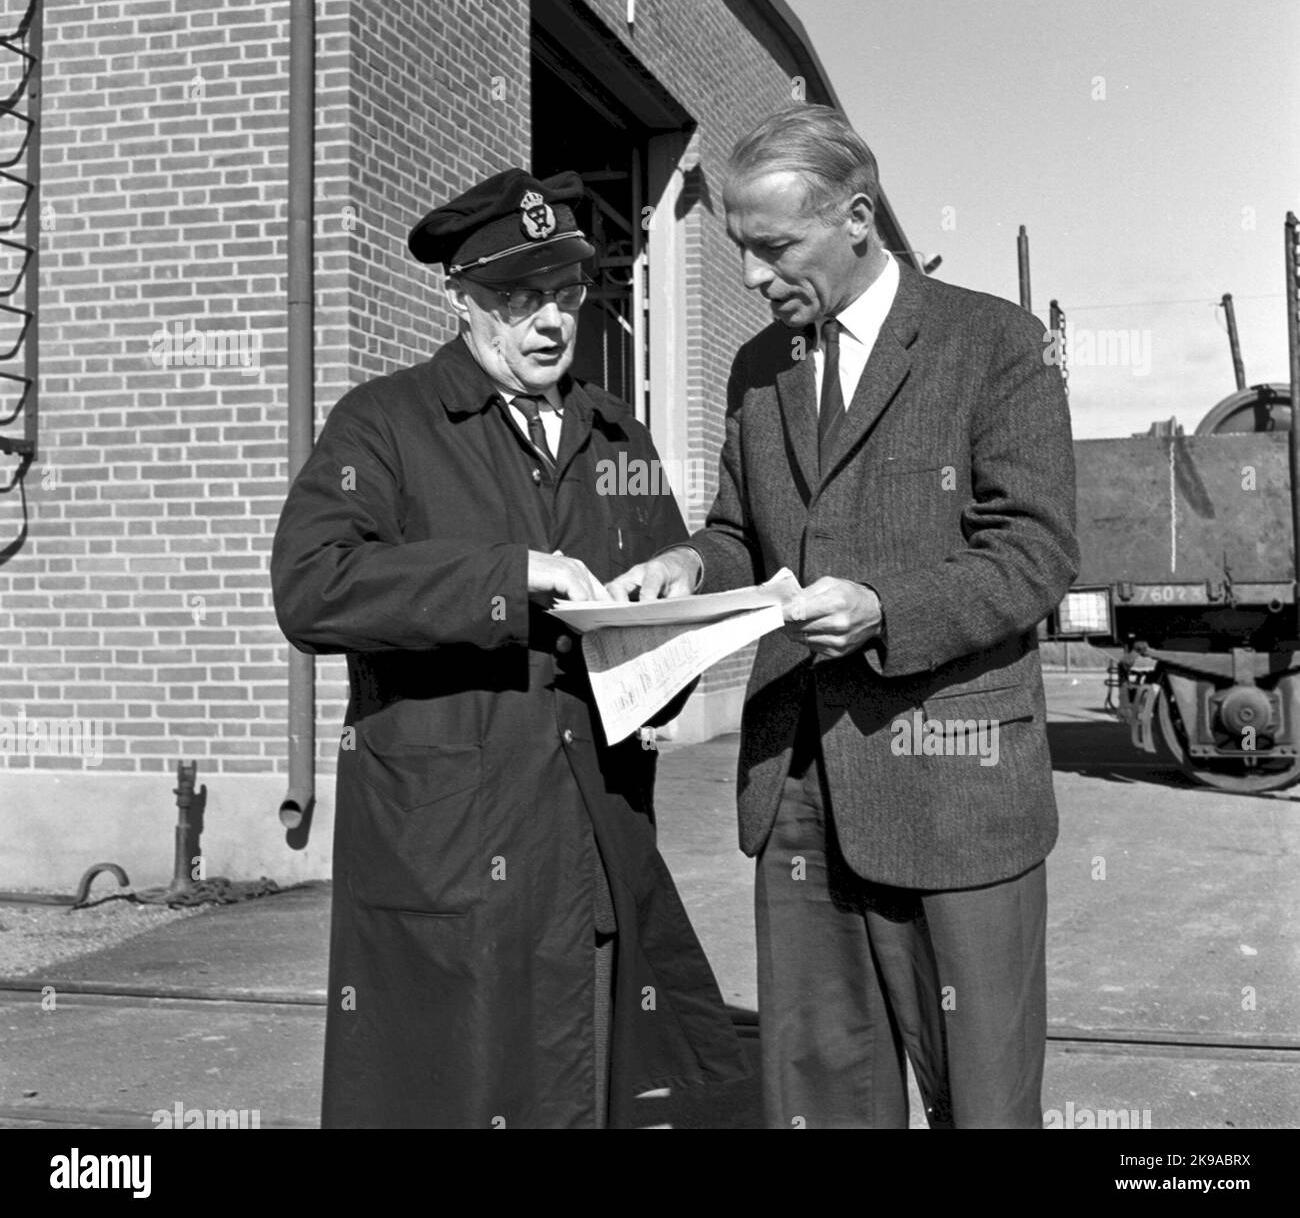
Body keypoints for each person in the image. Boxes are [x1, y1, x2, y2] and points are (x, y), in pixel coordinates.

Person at [609, 104, 1078, 1129]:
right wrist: (692, 560)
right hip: (797, 787)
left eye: (773, 246)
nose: (749, 276)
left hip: (954, 792)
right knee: (818, 1094)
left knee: (982, 1100)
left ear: (856, 217)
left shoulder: (993, 343)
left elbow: (1033, 551)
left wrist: (881, 608)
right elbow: (743, 528)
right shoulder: (755, 370)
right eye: (739, 247)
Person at [271, 168, 744, 1129]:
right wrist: (508, 576)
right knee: (444, 1086)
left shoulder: (616, 434)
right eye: (516, 299)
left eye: (566, 294)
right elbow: (311, 587)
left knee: (578, 1083)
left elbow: (657, 593)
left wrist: (676, 600)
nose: (549, 322)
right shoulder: (386, 422)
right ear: (460, 300)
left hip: (589, 829)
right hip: (447, 842)